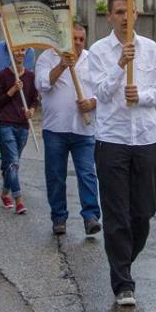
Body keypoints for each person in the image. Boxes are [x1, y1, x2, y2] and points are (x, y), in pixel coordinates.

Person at [85, 0, 156, 308]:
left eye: (128, 11)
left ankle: (122, 259)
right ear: (109, 16)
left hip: (145, 137)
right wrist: (120, 65)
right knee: (117, 214)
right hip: (112, 139)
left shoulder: (152, 49)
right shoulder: (98, 51)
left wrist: (141, 97)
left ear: (137, 13)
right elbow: (101, 95)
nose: (124, 17)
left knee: (144, 212)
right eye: (118, 12)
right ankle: (122, 282)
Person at [35, 23, 101, 237]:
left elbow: (105, 89)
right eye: (74, 39)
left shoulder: (92, 59)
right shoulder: (47, 57)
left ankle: (91, 216)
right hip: (56, 128)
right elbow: (42, 84)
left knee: (87, 174)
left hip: (84, 128)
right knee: (55, 175)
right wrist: (62, 65)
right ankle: (59, 217)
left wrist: (92, 102)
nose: (78, 43)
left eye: (82, 39)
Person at [0, 46, 39, 215]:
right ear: (11, 53)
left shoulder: (30, 76)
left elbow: (34, 100)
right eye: (17, 51)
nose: (20, 54)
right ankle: (19, 199)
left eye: (22, 51)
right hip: (7, 124)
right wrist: (12, 90)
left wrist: (32, 111)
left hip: (23, 126)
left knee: (11, 165)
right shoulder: (2, 75)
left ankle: (5, 192)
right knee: (13, 163)